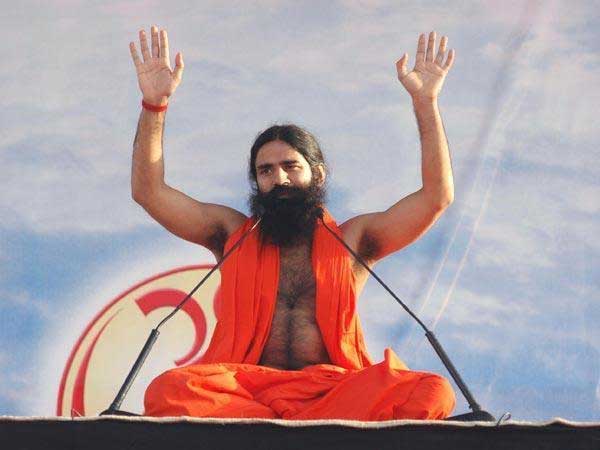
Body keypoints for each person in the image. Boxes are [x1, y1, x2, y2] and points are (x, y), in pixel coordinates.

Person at [129, 25, 456, 420]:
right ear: (256, 182)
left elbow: (436, 197)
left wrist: (426, 104)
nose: (279, 178)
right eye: (266, 171)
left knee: (432, 391)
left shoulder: (356, 240)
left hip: (331, 391)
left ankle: (280, 431)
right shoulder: (230, 233)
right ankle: (290, 432)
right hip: (244, 391)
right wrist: (154, 106)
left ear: (317, 174)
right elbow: (149, 192)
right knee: (169, 389)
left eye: (291, 166)